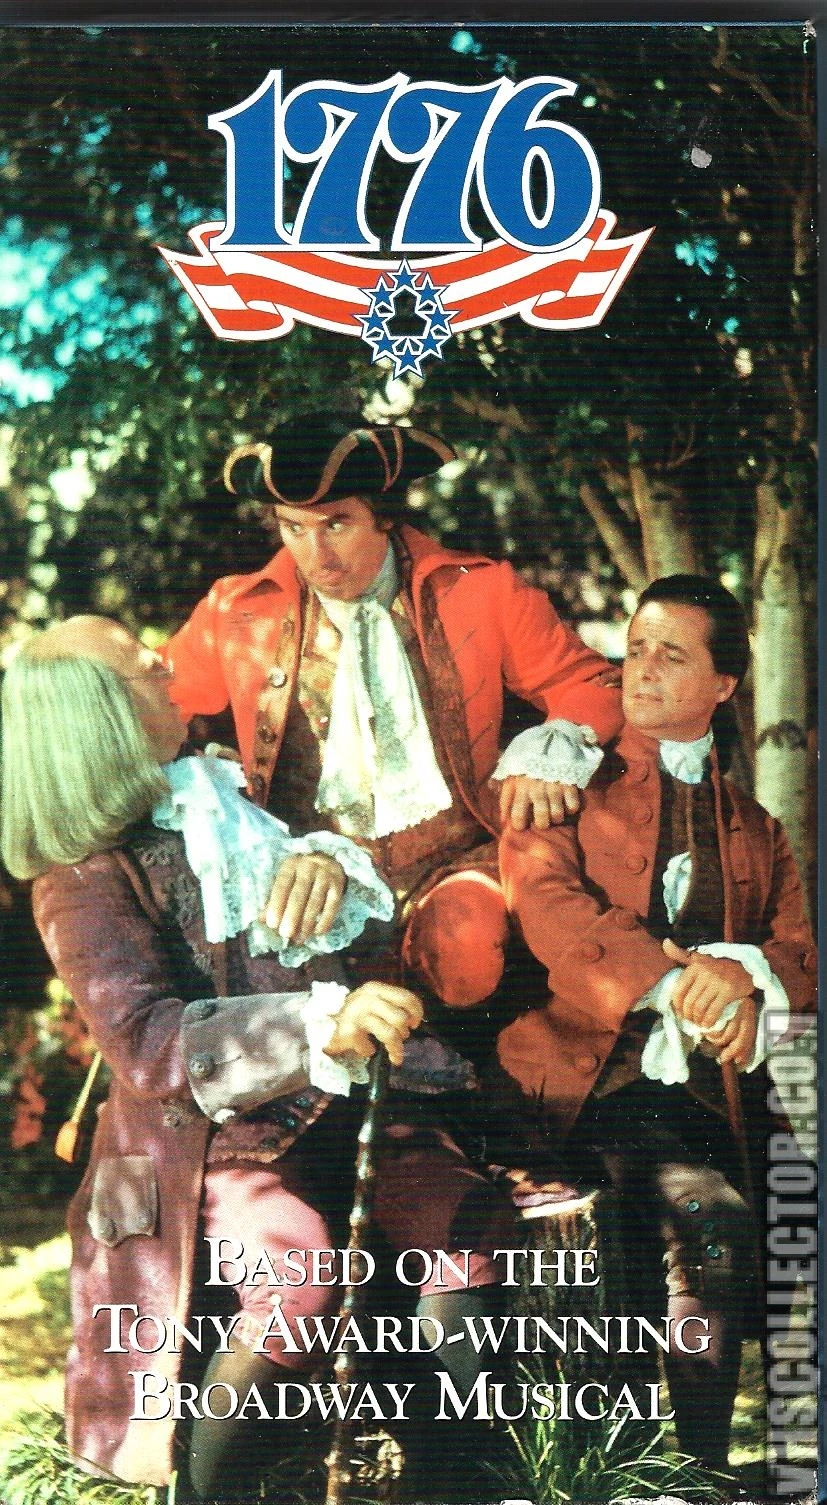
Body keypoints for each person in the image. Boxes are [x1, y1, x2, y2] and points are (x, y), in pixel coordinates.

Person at [0, 616, 517, 1501]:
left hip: (342, 1104)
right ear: (102, 720)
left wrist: (326, 866)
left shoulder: (226, 802)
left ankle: (447, 1484)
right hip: (210, 1145)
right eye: (144, 668)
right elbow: (147, 1040)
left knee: (463, 1226)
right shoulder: (79, 877)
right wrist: (320, 1023)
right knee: (298, 1281)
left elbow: (345, 945)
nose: (168, 667)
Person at [494, 575, 817, 1472]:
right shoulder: (562, 777)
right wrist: (674, 983)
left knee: (748, 1226)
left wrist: (741, 980)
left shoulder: (753, 825)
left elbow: (798, 951)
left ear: (722, 684)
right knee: (700, 1225)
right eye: (634, 649)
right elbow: (545, 904)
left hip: (708, 1100)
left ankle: (719, 1473)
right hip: (577, 1082)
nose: (640, 669)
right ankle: (661, 1472)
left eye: (670, 655)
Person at [162, 416, 623, 1012]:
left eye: (336, 524)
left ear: (383, 515)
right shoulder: (235, 612)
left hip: (454, 862)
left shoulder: (480, 591)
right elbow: (148, 711)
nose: (315, 555)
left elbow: (588, 682)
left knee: (467, 955)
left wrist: (551, 749)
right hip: (307, 871)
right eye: (294, 528)